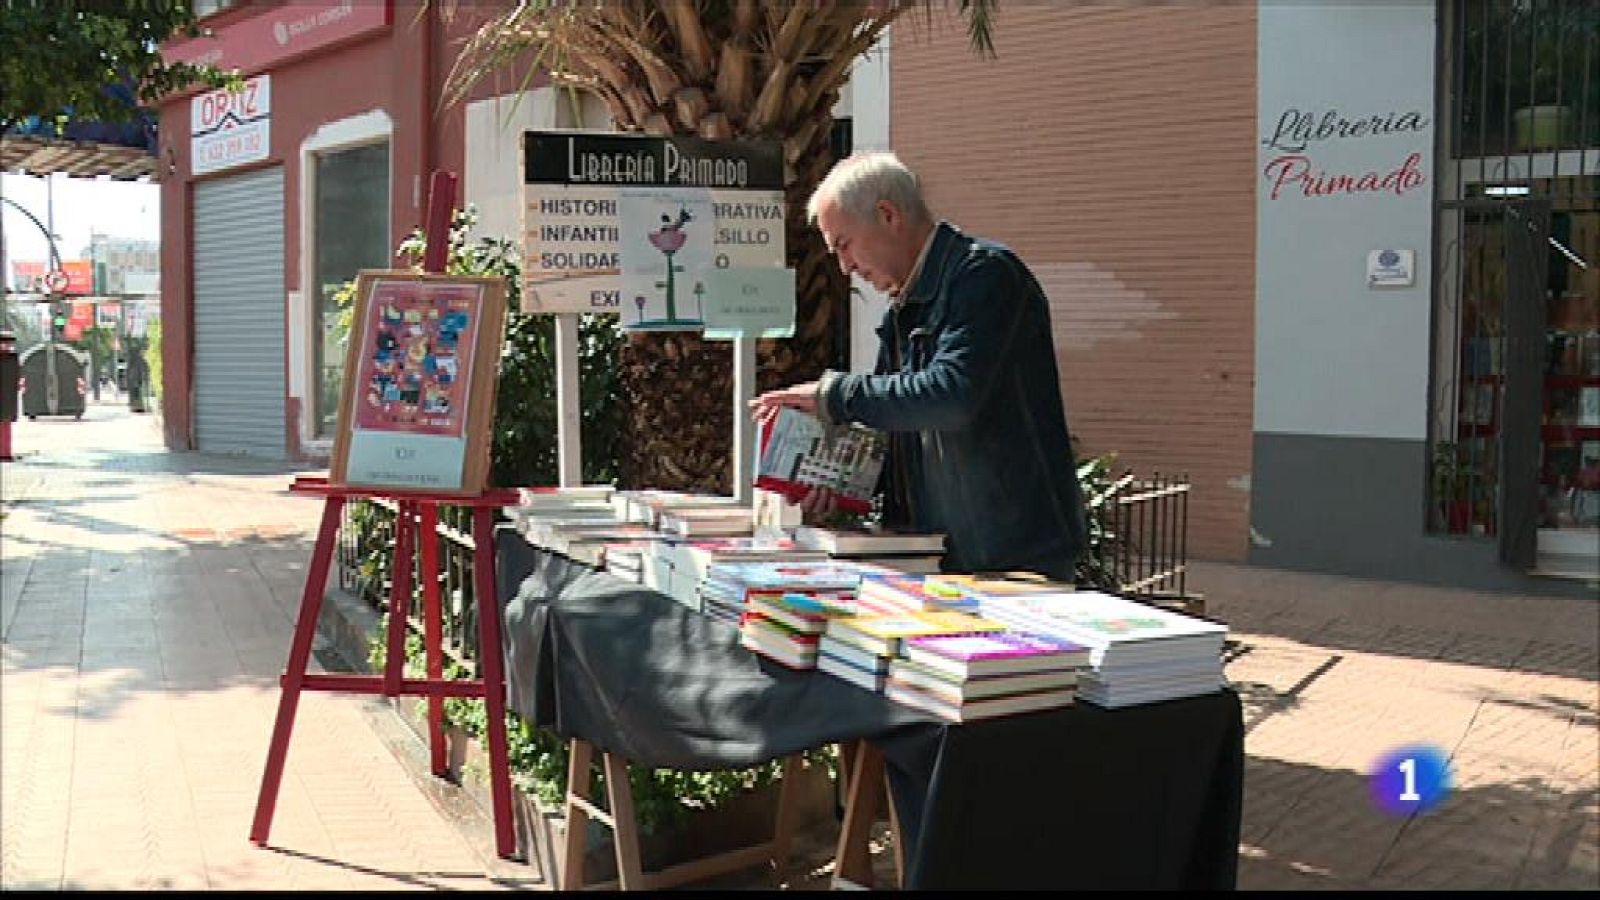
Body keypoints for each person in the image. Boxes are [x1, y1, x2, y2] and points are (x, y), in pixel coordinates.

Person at [750, 151, 1088, 583]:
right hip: (935, 558)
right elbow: (902, 428)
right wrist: (839, 486)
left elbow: (951, 395)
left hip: (1009, 561)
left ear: (888, 215)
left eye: (844, 245)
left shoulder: (986, 276)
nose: (845, 267)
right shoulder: (902, 310)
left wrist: (833, 396)